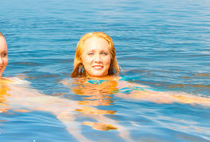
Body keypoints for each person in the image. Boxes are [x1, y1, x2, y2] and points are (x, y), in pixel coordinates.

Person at [0, 27, 129, 141]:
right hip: (61, 111)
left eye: (4, 54)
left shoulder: (16, 80)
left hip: (63, 108)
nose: (0, 61)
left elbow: (38, 98)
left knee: (119, 130)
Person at [69, 32, 210, 106]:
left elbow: (165, 97)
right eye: (91, 53)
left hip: (127, 92)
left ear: (111, 58)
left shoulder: (119, 83)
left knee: (169, 98)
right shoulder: (69, 84)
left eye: (104, 53)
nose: (98, 59)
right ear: (81, 59)